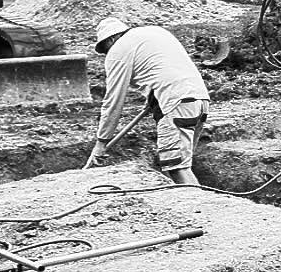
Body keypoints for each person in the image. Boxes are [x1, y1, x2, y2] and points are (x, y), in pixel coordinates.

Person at [87, 18, 211, 186]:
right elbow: (163, 67)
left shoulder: (118, 49)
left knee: (176, 168)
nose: (107, 53)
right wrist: (152, 99)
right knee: (174, 164)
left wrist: (101, 142)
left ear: (110, 40)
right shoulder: (154, 32)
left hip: (175, 104)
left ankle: (200, 209)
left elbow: (113, 101)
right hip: (200, 99)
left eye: (105, 49)